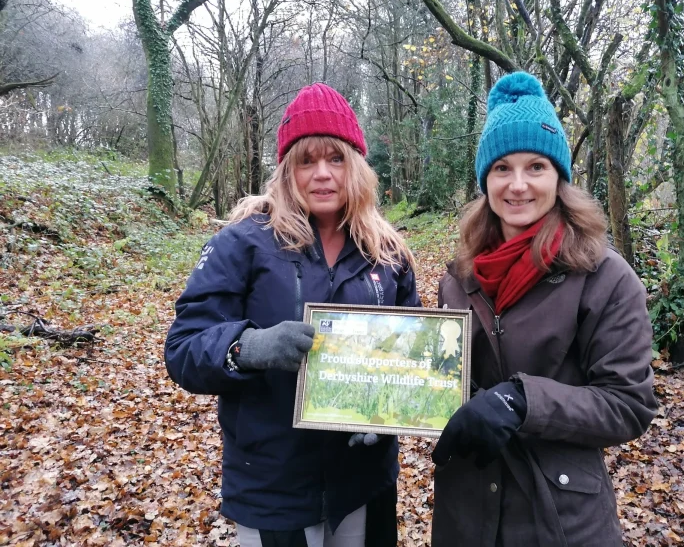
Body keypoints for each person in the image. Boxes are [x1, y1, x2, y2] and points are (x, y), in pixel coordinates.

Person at [165, 83, 420, 547]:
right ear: (287, 170)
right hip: (274, 485)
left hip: (365, 481)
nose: (322, 174)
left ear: (357, 166)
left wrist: (387, 414)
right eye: (306, 160)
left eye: (336, 158)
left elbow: (408, 357)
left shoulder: (388, 254)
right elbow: (183, 350)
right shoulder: (242, 244)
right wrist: (248, 348)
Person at [430, 72, 658, 547]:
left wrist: (521, 401)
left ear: (559, 177)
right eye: (502, 168)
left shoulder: (605, 278)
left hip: (560, 520)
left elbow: (627, 404)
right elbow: (441, 386)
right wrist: (383, 412)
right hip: (465, 515)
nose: (517, 185)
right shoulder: (458, 280)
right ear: (485, 180)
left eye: (536, 166)